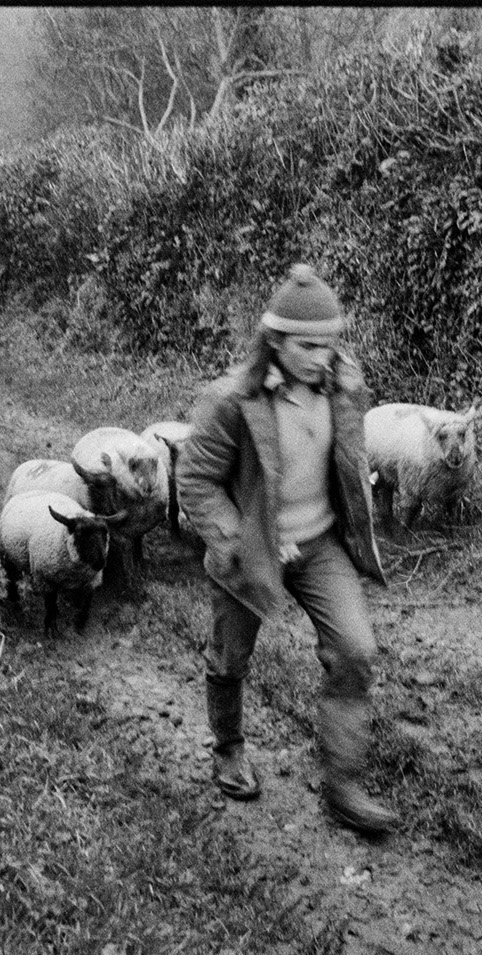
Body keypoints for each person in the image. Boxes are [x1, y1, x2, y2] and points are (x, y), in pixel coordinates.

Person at [175, 263, 399, 835]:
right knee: (231, 658)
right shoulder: (232, 401)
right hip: (253, 548)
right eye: (306, 346)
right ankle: (228, 747)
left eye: (329, 345)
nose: (320, 358)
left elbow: (348, 463)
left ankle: (343, 785)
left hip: (320, 543)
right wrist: (239, 540)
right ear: (273, 340)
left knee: (355, 652)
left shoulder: (344, 389)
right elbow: (196, 481)